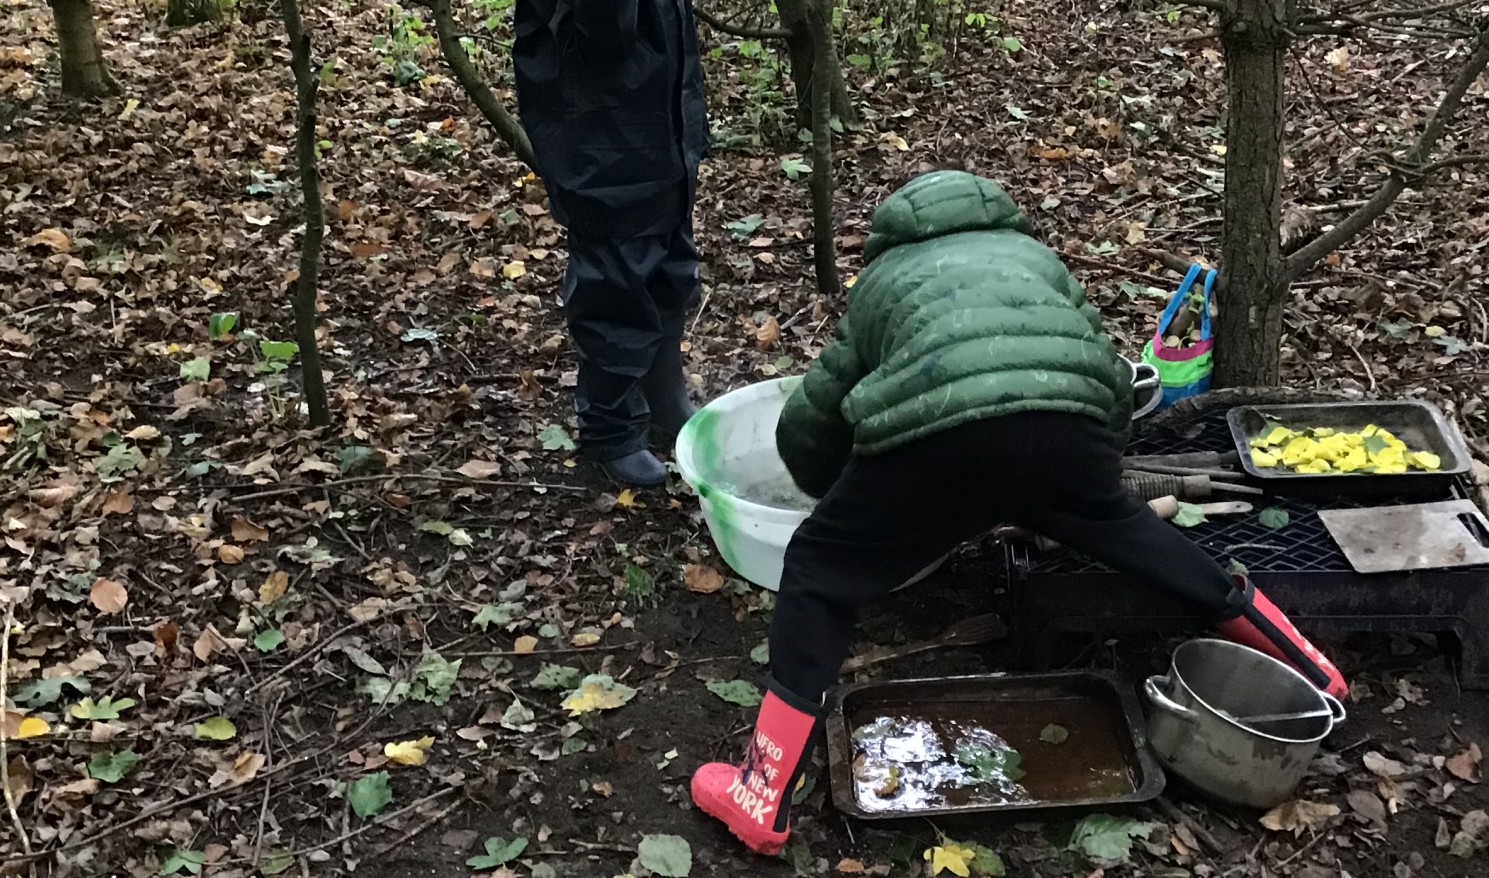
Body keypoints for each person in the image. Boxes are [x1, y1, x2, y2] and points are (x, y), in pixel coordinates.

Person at [689, 170, 1348, 855]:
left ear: (889, 234)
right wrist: (1089, 467)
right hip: (1069, 429)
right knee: (1138, 535)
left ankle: (760, 797)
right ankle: (1309, 665)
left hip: (937, 443)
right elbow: (1106, 370)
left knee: (820, 570)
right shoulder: (1039, 260)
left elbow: (814, 417)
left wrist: (832, 493)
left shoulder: (883, 281)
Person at [513, 0, 707, 486]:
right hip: (601, 126)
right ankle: (611, 430)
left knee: (670, 257)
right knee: (617, 277)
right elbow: (604, 36)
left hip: (659, 111)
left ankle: (662, 397)